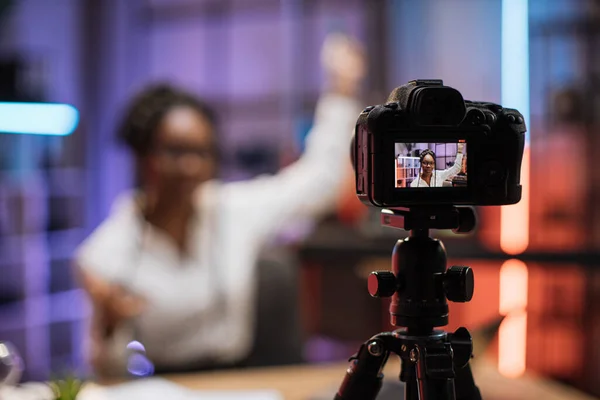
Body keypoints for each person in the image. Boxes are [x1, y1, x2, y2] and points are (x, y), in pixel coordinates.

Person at [75, 34, 365, 377]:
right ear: (143, 155)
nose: (191, 167)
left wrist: (340, 92)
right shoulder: (106, 252)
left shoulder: (230, 211)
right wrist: (108, 326)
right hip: (162, 387)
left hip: (240, 381)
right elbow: (107, 372)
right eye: (175, 151)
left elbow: (318, 183)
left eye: (202, 153)